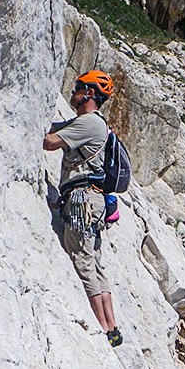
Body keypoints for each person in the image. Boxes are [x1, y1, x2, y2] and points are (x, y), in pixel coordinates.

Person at [43, 70, 123, 347]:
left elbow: (50, 142)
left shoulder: (89, 123)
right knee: (95, 261)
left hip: (82, 199)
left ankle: (101, 328)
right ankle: (112, 325)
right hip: (93, 200)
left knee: (82, 258)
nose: (73, 91)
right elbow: (60, 126)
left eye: (79, 87)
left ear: (89, 94)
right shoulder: (92, 123)